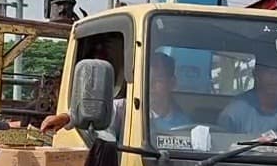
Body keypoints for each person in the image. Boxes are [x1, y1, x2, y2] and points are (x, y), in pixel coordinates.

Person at [40, 51, 191, 137]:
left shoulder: (187, 123)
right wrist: (64, 118)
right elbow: (95, 110)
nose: (150, 86)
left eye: (157, 80)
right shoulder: (124, 108)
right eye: (146, 80)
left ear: (172, 83)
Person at [217, 55, 277, 135]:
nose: (275, 78)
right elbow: (222, 147)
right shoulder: (234, 112)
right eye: (269, 72)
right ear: (256, 74)